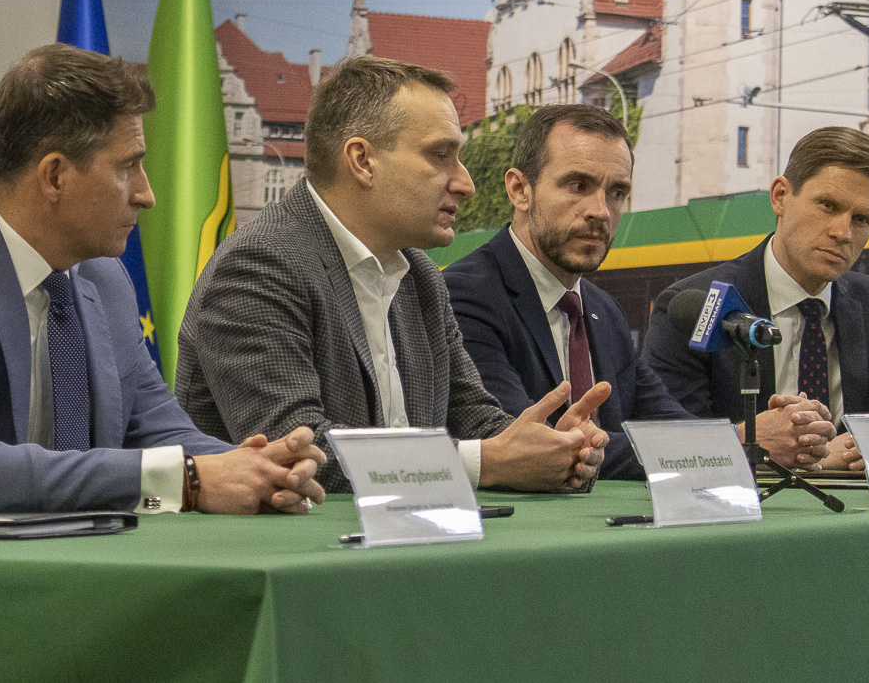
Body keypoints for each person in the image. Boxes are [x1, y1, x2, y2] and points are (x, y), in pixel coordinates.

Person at [0, 43, 326, 515]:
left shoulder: (104, 279)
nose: (146, 195)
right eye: (128, 167)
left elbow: (163, 434)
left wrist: (261, 469)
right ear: (54, 176)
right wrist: (185, 480)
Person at [176, 56, 609, 493]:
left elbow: (476, 421)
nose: (466, 184)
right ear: (362, 160)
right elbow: (297, 452)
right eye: (440, 155)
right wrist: (487, 462)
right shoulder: (259, 264)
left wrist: (554, 448)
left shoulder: (420, 277)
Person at [643, 126, 869, 470]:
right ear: (780, 196)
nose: (842, 233)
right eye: (828, 206)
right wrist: (759, 448)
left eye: (861, 219)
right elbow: (665, 444)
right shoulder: (696, 306)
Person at [442, 104, 693, 480]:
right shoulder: (465, 296)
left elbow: (670, 421)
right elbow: (522, 444)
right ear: (519, 190)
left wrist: (741, 441)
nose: (601, 211)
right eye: (578, 186)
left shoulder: (604, 310)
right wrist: (715, 448)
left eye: (617, 192)